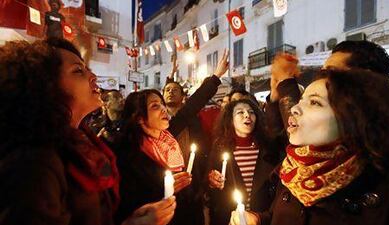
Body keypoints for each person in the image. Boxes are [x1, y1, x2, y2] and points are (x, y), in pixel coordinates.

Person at [0, 38, 175, 225]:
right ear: (45, 85)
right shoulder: (33, 164)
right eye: (78, 71)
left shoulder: (82, 144)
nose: (93, 76)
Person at [230, 69, 389, 225]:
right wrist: (259, 219)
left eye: (315, 103)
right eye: (302, 100)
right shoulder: (293, 171)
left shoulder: (383, 191)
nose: (295, 108)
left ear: (352, 119)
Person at [116, 50, 230, 225]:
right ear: (139, 117)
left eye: (162, 104)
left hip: (189, 215)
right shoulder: (127, 152)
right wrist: (164, 188)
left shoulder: (169, 135)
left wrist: (216, 76)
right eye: (155, 106)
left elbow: (191, 107)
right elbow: (127, 200)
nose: (163, 109)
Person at [208, 99, 281, 225]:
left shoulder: (268, 148)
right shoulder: (220, 148)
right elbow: (211, 187)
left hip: (261, 217)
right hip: (230, 218)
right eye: (240, 112)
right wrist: (212, 181)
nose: (247, 115)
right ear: (230, 120)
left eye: (251, 112)